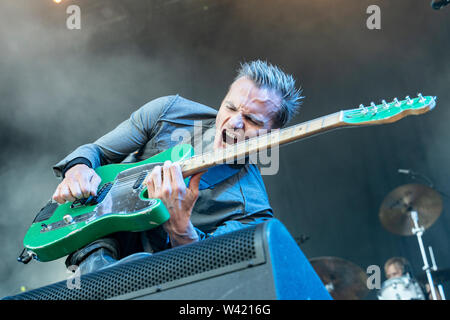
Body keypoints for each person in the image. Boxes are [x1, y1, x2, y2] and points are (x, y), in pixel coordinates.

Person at [51, 60, 303, 274]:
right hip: (98, 244)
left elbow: (208, 269)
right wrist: (78, 169)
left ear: (271, 135)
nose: (234, 122)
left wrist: (180, 228)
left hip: (161, 277)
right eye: (230, 107)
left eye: (251, 120)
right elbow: (95, 152)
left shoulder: (253, 209)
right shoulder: (169, 111)